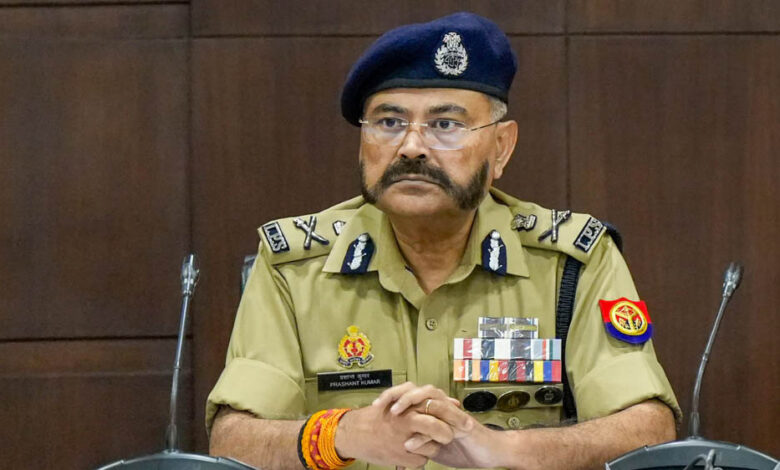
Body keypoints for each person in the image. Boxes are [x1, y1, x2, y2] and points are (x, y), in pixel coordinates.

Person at [206, 12, 681, 470]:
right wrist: (342, 435)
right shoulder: (294, 266)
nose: (411, 147)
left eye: (445, 125)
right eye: (389, 123)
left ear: (501, 148)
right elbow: (233, 439)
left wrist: (504, 448)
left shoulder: (572, 262)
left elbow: (648, 429)